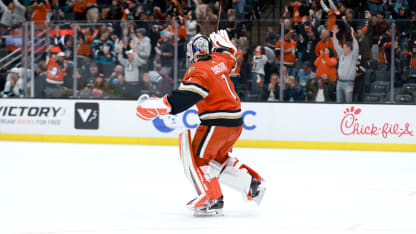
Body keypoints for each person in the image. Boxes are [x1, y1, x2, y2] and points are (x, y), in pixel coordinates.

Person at [136, 30, 265, 216]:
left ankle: (212, 198)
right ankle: (250, 183)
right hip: (235, 122)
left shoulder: (197, 70)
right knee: (217, 159)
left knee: (196, 158)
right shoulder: (219, 59)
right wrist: (226, 45)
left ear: (193, 52)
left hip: (216, 122)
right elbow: (232, 56)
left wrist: (158, 106)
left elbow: (188, 96)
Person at [333, 26, 359, 103]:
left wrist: (353, 35)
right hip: (339, 82)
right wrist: (334, 35)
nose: (342, 48)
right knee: (339, 103)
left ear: (349, 48)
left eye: (344, 47)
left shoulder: (353, 56)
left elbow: (356, 48)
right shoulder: (341, 54)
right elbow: (336, 46)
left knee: (348, 103)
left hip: (349, 83)